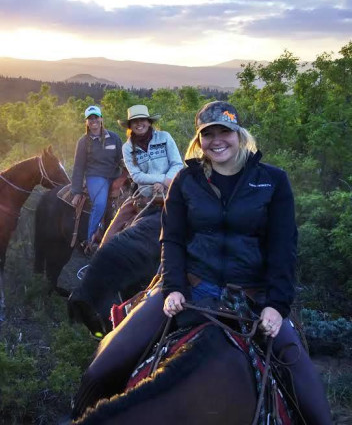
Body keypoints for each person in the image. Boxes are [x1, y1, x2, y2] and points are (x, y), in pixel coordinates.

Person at [70, 101, 331, 425]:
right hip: (189, 290)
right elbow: (172, 239)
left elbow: (283, 249)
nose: (217, 140)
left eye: (225, 131)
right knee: (100, 369)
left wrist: (276, 305)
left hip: (252, 299)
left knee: (314, 407)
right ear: (200, 139)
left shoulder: (273, 182)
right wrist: (174, 288)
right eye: (209, 133)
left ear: (240, 134)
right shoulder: (186, 181)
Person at [100, 104, 183, 244]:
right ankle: (100, 254)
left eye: (142, 119)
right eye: (134, 121)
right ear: (130, 125)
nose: (139, 123)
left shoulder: (164, 137)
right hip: (144, 197)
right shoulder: (127, 148)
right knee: (113, 229)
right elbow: (136, 175)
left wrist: (167, 181)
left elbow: (177, 164)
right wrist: (162, 180)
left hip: (172, 191)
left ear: (149, 122)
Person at [70, 105, 123, 248]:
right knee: (99, 203)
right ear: (86, 122)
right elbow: (78, 167)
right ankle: (91, 240)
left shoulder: (114, 138)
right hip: (96, 176)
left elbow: (121, 158)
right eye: (90, 118)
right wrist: (76, 191)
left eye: (96, 117)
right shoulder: (83, 142)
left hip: (115, 175)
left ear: (101, 118)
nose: (93, 120)